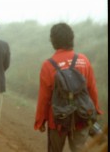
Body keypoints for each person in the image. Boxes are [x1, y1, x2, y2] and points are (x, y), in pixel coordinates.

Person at [34, 22, 103, 152]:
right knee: (79, 149)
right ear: (71, 39)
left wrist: (40, 120)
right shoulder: (83, 60)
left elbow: (44, 97)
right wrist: (96, 110)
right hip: (82, 117)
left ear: (53, 41)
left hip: (58, 120)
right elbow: (92, 89)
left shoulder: (48, 65)